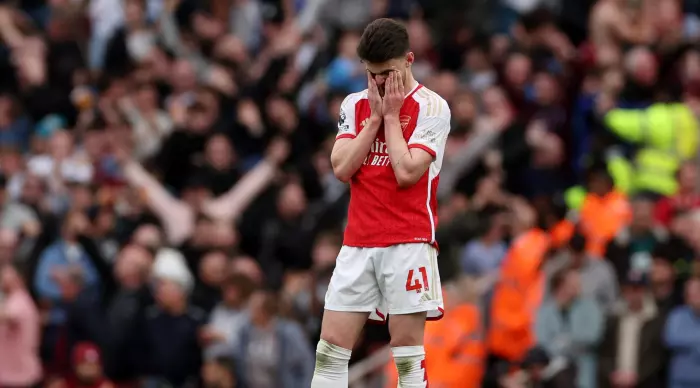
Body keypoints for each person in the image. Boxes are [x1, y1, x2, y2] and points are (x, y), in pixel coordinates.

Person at [311, 18, 451, 388]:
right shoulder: (355, 105)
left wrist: (390, 117)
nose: (380, 83)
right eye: (372, 75)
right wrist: (374, 118)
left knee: (406, 355)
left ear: (409, 60)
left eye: (388, 73)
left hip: (408, 242)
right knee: (329, 349)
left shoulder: (432, 107)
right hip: (357, 242)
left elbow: (407, 173)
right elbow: (341, 167)